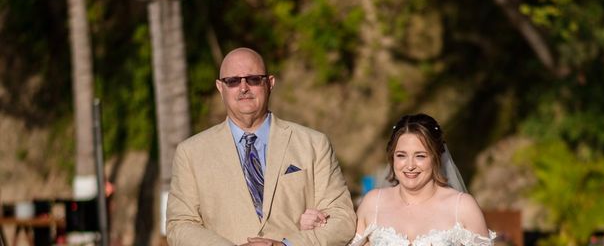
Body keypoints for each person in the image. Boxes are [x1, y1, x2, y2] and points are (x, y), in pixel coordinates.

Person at [166, 47, 357, 246]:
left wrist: (287, 245)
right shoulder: (191, 153)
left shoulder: (314, 144)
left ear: (270, 83)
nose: (243, 88)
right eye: (232, 81)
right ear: (220, 87)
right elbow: (180, 225)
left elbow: (342, 219)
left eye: (253, 79)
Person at [348, 114, 495, 246]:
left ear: (436, 158)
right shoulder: (373, 202)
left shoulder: (462, 207)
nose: (410, 165)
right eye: (401, 155)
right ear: (392, 158)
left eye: (420, 156)